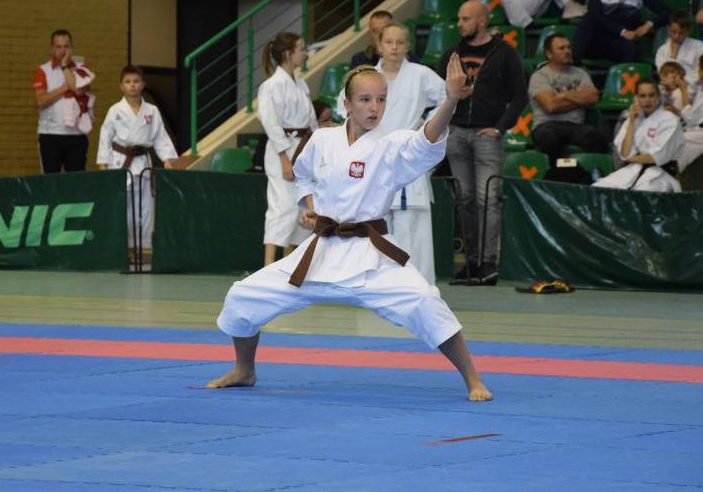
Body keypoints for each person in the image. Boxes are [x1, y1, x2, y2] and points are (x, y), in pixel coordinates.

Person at [207, 61, 494, 402]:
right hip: (321, 251)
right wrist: (310, 207)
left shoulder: (391, 143)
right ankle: (244, 370)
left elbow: (426, 140)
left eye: (381, 99)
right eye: (365, 100)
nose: (375, 108)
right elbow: (303, 175)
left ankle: (473, 379)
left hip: (370, 254)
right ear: (347, 103)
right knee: (244, 295)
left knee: (425, 300)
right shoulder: (322, 139)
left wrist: (450, 100)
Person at [334, 23, 446, 284]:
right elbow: (343, 105)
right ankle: (373, 283)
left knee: (413, 226)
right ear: (379, 46)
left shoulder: (420, 74)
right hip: (375, 152)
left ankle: (418, 285)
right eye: (389, 42)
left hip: (408, 152)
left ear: (408, 46)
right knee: (372, 221)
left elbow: (447, 98)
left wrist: (426, 125)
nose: (394, 47)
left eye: (400, 42)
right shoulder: (367, 76)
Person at [437, 0, 528, 284]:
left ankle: (488, 263)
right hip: (457, 133)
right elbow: (436, 90)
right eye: (459, 18)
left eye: (466, 19)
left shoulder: (505, 53)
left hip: (486, 135)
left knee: (487, 199)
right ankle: (470, 263)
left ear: (482, 21)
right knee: (464, 199)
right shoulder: (452, 53)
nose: (460, 24)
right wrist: (451, 98)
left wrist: (499, 128)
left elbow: (520, 97)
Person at [96, 66, 179, 255]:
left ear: (142, 84)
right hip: (120, 161)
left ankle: (144, 246)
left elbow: (160, 136)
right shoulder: (115, 110)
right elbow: (105, 137)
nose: (132, 85)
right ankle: (122, 246)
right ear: (121, 86)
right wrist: (102, 163)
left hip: (143, 161)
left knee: (145, 205)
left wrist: (167, 159)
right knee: (122, 204)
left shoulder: (152, 110)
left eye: (136, 81)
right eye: (128, 82)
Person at [257, 31, 319, 267]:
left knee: (301, 206)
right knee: (282, 206)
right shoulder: (271, 86)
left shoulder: (300, 84)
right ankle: (268, 266)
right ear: (287, 54)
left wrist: (317, 146)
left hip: (303, 148)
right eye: (301, 49)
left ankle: (288, 265)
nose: (305, 53)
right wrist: (284, 158)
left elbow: (311, 121)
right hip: (281, 151)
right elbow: (270, 124)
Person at [528, 33, 606, 166]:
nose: (567, 51)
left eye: (569, 47)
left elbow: (592, 97)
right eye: (561, 48)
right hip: (546, 125)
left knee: (596, 137)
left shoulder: (580, 73)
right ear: (549, 54)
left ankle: (585, 174)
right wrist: (579, 98)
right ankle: (560, 171)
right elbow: (550, 106)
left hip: (575, 126)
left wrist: (564, 95)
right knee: (548, 138)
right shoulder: (539, 76)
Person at [593, 80, 684, 192]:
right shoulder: (633, 119)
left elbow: (654, 157)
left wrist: (631, 159)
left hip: (661, 173)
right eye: (642, 96)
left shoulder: (669, 120)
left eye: (651, 95)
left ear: (658, 97)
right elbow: (625, 153)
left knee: (641, 192)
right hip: (633, 169)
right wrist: (632, 121)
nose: (647, 100)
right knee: (598, 187)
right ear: (636, 98)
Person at [32, 29, 92, 173]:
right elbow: (41, 101)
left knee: (76, 181)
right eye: (58, 47)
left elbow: (80, 90)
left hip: (77, 135)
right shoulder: (42, 70)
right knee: (50, 182)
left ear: (72, 48)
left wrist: (65, 66)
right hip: (50, 134)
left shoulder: (81, 68)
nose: (62, 51)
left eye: (66, 46)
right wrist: (66, 86)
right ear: (52, 49)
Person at [655, 10, 703, 99]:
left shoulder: (699, 46)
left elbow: (702, 72)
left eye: (681, 33)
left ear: (688, 31)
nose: (677, 36)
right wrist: (673, 54)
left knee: (678, 94)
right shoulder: (662, 50)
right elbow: (664, 74)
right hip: (667, 88)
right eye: (673, 32)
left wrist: (683, 82)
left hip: (691, 88)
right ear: (668, 29)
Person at [350, 10, 418, 68]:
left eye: (384, 30)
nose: (379, 35)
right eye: (375, 31)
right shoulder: (359, 59)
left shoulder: (410, 58)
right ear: (370, 33)